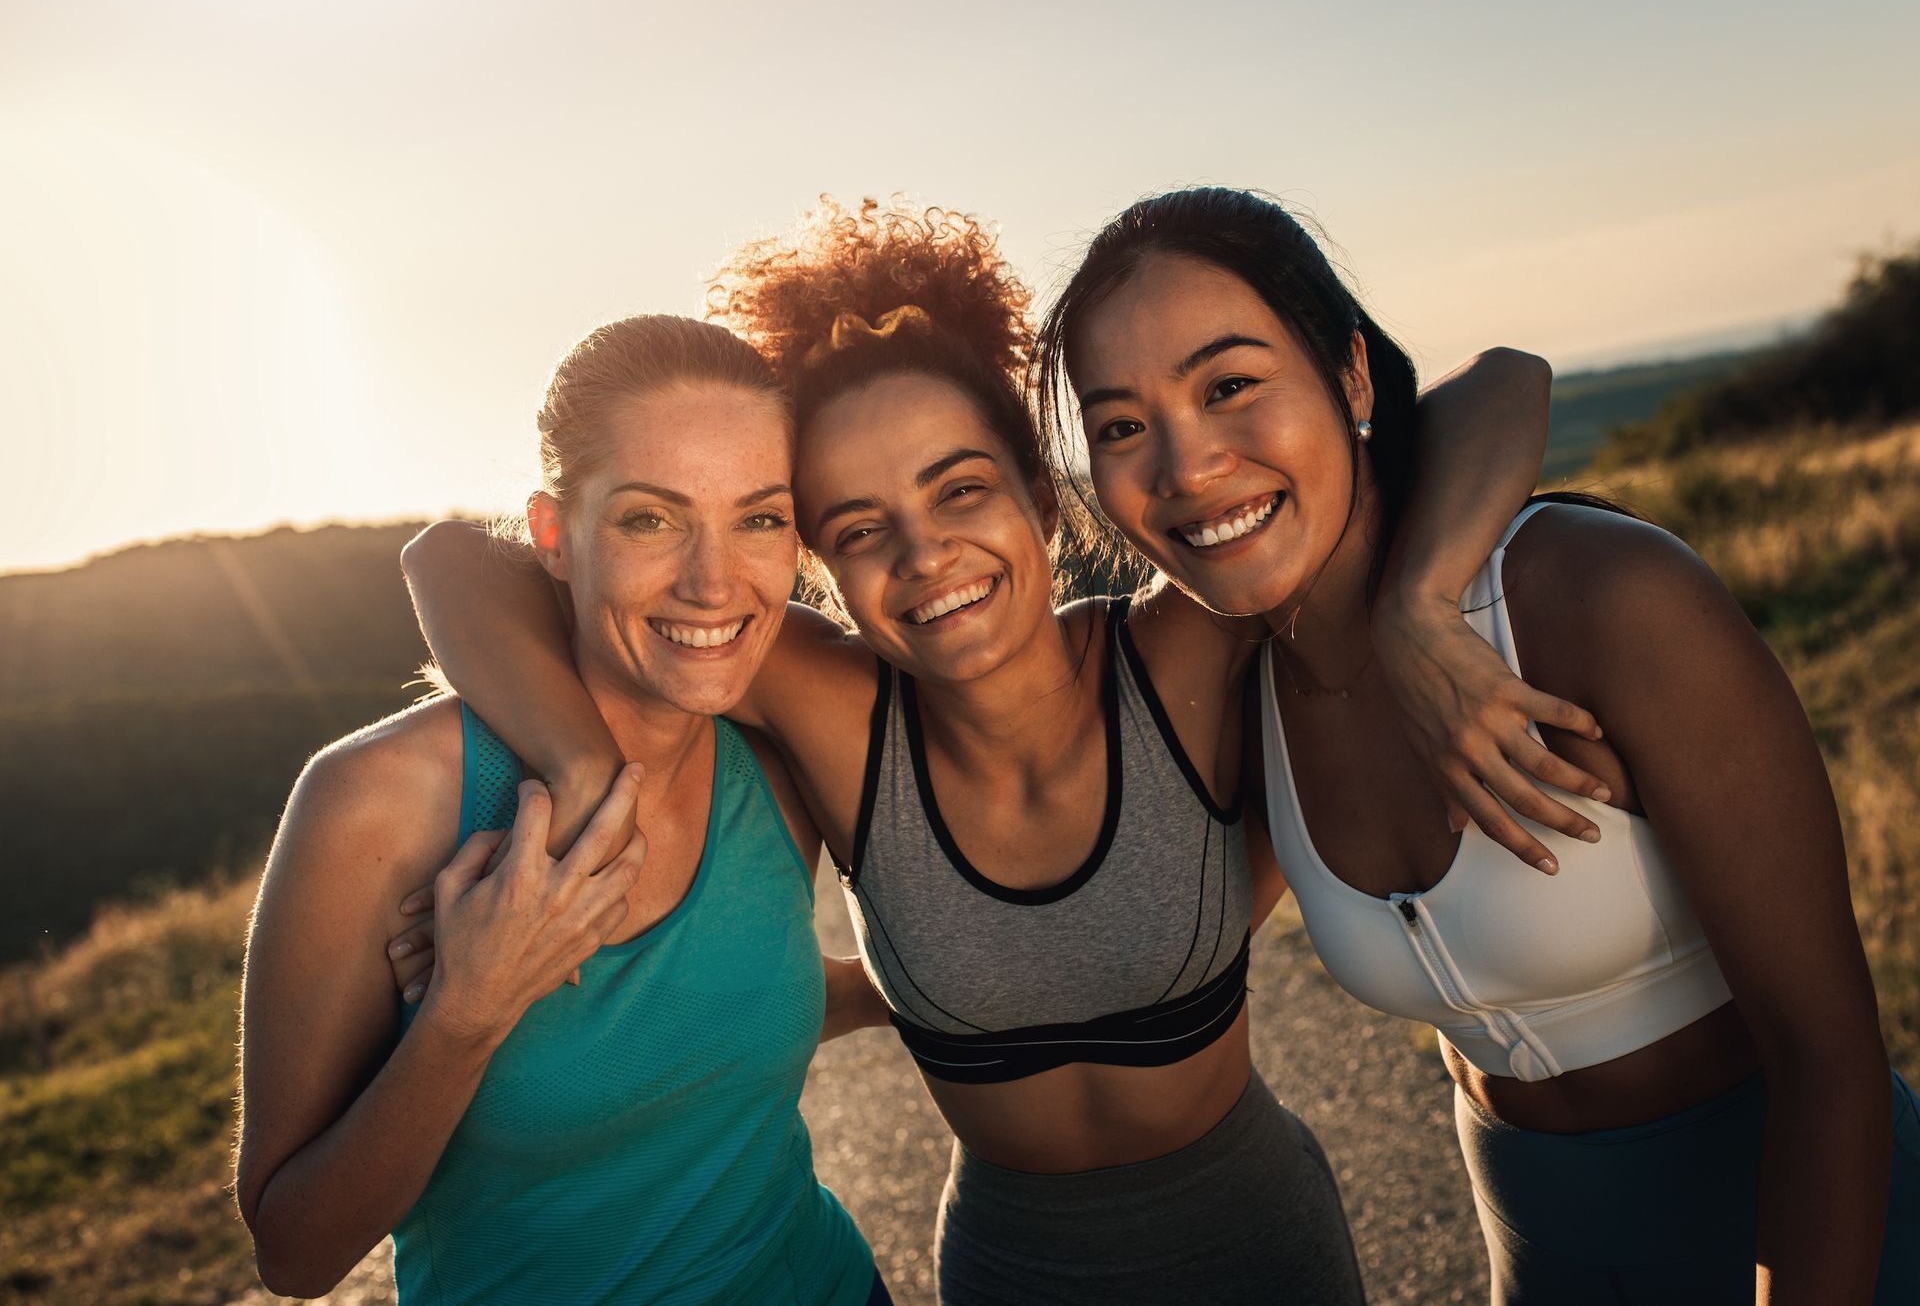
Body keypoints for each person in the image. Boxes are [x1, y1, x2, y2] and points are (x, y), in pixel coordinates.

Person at [398, 199, 1602, 1302]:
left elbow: (1499, 384)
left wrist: (1420, 603)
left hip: (1257, 1243)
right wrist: (586, 771)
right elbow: (451, 559)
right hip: (1012, 1269)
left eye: (962, 492)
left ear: (1039, 489)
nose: (924, 556)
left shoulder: (1184, 649)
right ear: (816, 560)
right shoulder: (831, 706)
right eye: (861, 527)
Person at [1039, 185, 1920, 1303]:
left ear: (1350, 375)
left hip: (1816, 1233)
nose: (1187, 464)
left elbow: (1830, 1058)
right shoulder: (1236, 687)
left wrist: (1417, 605)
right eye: (1121, 425)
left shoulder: (1595, 597)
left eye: (1231, 385)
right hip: (1541, 1243)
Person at [234, 315, 881, 1304]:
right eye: (649, 518)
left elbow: (715, 1007)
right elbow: (295, 1249)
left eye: (759, 517)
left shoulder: (776, 755)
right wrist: (465, 1013)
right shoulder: (379, 804)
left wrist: (923, 986)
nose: (714, 581)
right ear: (552, 536)